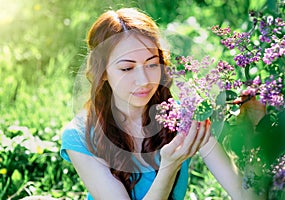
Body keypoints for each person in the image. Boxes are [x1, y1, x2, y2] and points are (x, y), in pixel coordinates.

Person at [60, 7, 257, 200]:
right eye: (127, 68)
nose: (144, 80)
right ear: (102, 72)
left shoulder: (185, 119)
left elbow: (244, 195)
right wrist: (169, 167)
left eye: (152, 64)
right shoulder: (80, 136)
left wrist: (254, 129)